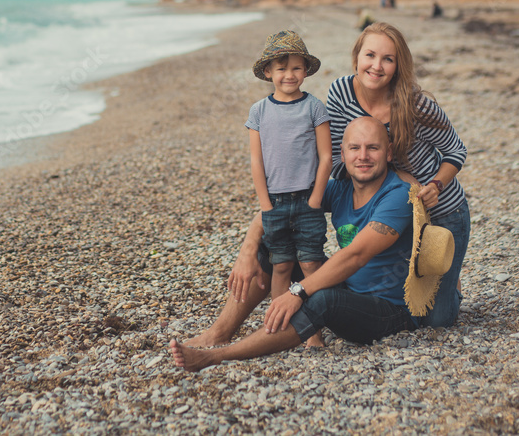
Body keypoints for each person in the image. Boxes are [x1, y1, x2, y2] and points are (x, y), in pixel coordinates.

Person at [170, 118, 417, 372]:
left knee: (324, 300)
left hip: (389, 311)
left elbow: (356, 255)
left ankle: (215, 357)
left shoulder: (399, 195)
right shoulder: (341, 189)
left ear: (388, 153)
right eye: (355, 148)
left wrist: (297, 292)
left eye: (372, 148)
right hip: (350, 289)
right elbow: (277, 211)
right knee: (274, 242)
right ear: (342, 155)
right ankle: (219, 332)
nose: (363, 156)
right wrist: (247, 252)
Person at [326, 22, 469, 328]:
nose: (376, 66)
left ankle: (451, 285)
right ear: (356, 58)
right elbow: (340, 161)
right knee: (397, 299)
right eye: (370, 55)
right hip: (389, 207)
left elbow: (456, 152)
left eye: (388, 59)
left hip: (439, 211)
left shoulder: (417, 105)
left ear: (398, 66)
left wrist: (436, 184)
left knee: (437, 320)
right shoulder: (340, 93)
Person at [247, 31, 332, 322]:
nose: (289, 75)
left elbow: (326, 157)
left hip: (308, 199)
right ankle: (279, 324)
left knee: (310, 263)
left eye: (296, 67)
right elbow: (256, 160)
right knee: (281, 265)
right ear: (268, 72)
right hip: (275, 203)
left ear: (306, 70)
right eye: (281, 69)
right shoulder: (258, 111)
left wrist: (316, 198)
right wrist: (265, 205)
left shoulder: (314, 107)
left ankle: (314, 328)